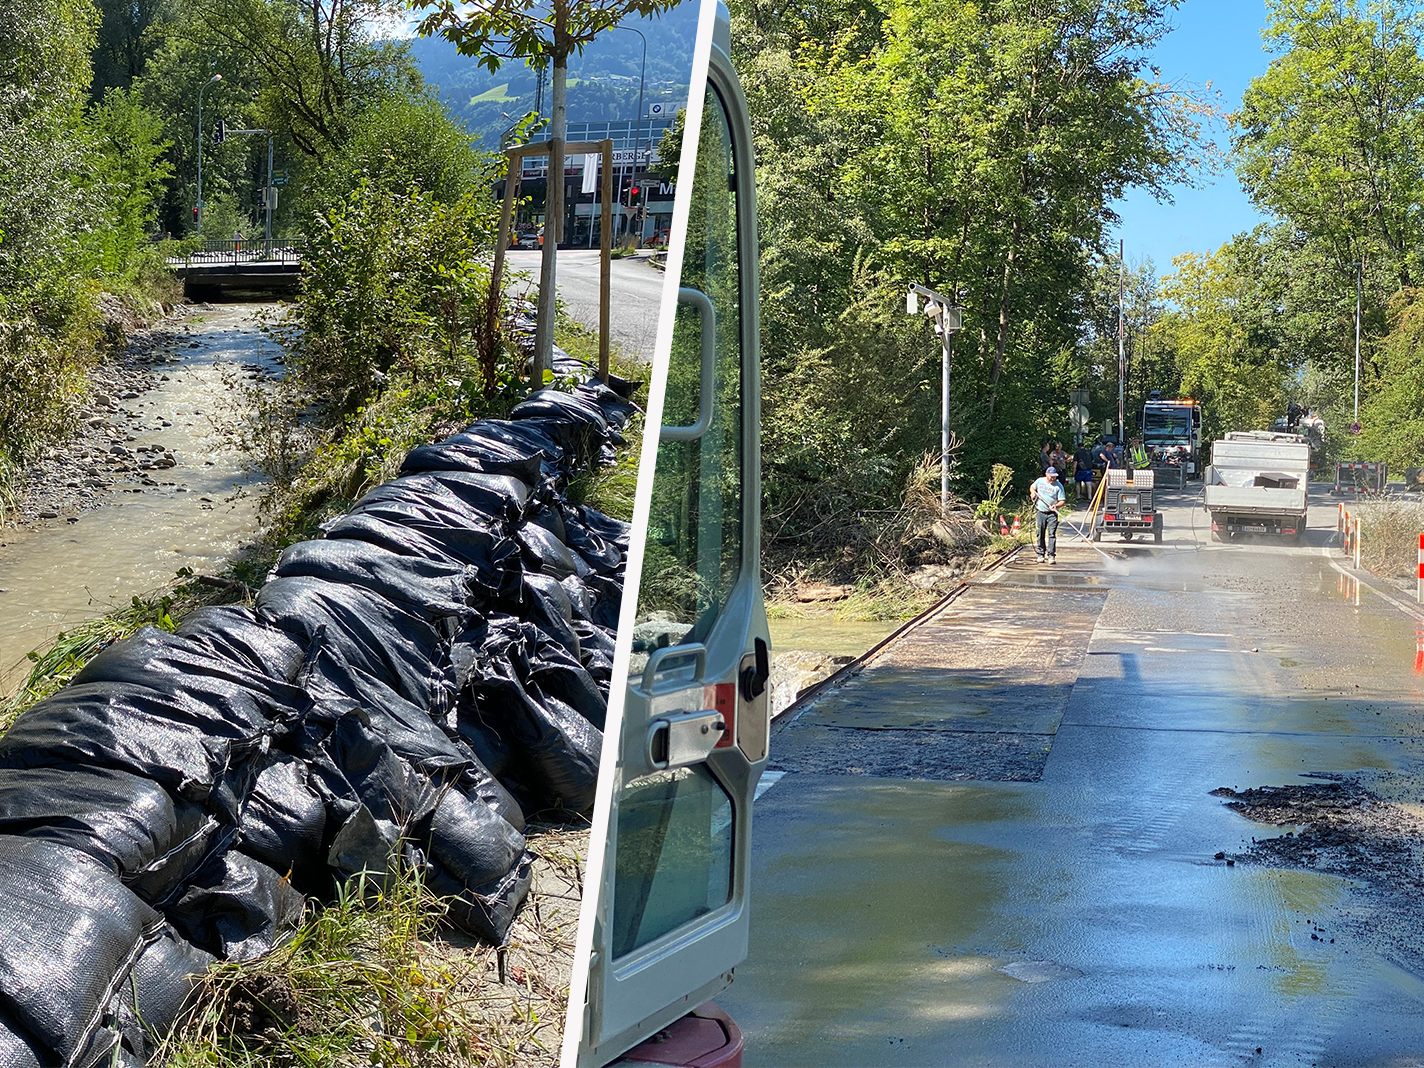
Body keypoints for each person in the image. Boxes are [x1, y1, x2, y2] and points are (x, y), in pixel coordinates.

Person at [1030, 466, 1067, 564]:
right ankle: (1040, 554)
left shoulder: (1058, 486)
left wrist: (1056, 506)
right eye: (1051, 476)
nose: (1053, 478)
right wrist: (1033, 493)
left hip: (1052, 514)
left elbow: (1062, 501)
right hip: (1040, 512)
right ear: (1046, 474)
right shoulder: (1039, 481)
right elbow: (1032, 487)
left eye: (1054, 476)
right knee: (1040, 533)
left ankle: (1051, 555)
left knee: (1051, 534)